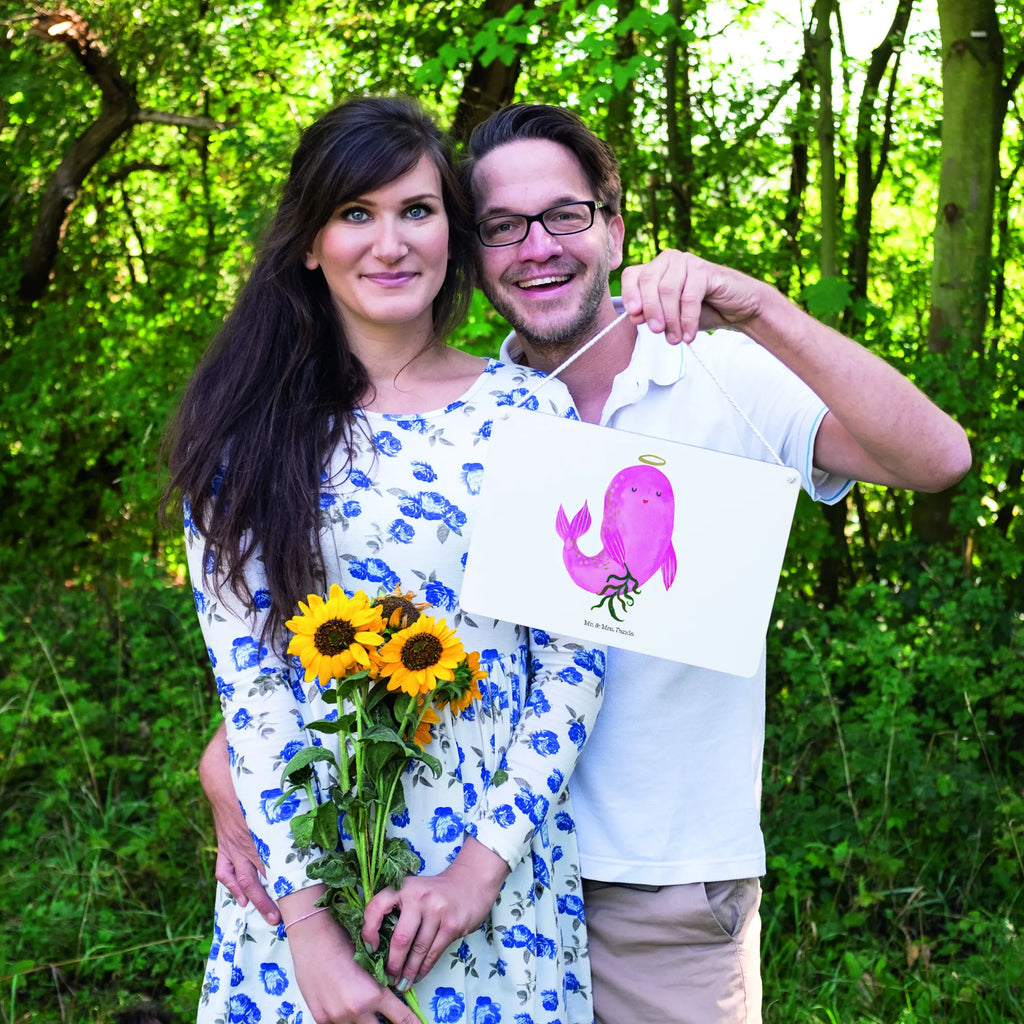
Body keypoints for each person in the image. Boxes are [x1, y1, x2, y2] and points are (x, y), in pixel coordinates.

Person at [202, 102, 972, 1024]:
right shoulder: (463, 418)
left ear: (612, 225)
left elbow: (938, 461)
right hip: (427, 876)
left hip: (654, 888)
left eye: (565, 215)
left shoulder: (713, 373)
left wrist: (760, 306)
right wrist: (235, 769)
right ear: (474, 251)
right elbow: (337, 631)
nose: (537, 247)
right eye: (502, 227)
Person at [165, 97, 608, 1024]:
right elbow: (252, 692)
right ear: (309, 244)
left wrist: (478, 872)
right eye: (355, 214)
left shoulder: (531, 414)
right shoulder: (244, 438)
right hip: (303, 887)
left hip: (492, 887)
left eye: (416, 210)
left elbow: (574, 662)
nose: (390, 242)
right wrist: (311, 937)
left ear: (452, 229)